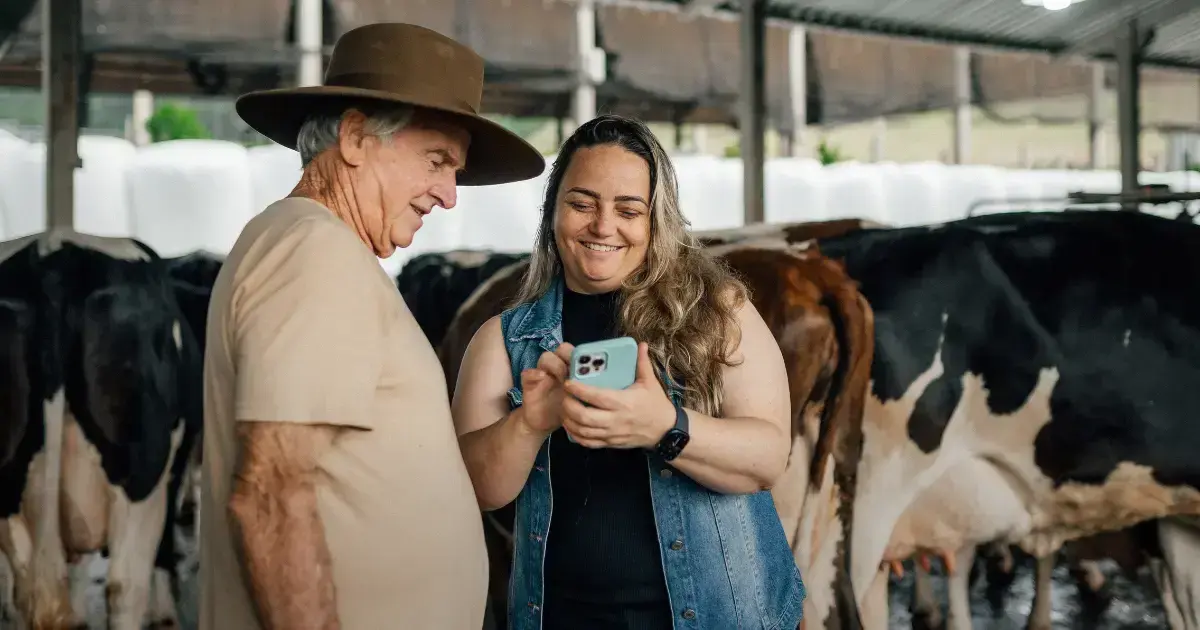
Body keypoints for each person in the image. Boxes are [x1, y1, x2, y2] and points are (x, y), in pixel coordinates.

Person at [197, 22, 544, 630]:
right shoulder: (317, 254)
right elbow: (271, 496)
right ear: (356, 137)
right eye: (437, 162)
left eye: (454, 172)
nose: (448, 195)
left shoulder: (308, 245)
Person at [452, 114, 805, 630]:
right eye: (582, 203)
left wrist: (666, 426)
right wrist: (530, 421)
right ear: (552, 213)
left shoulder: (719, 313)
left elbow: (768, 458)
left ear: (655, 221)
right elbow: (479, 490)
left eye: (627, 209)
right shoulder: (504, 340)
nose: (602, 226)